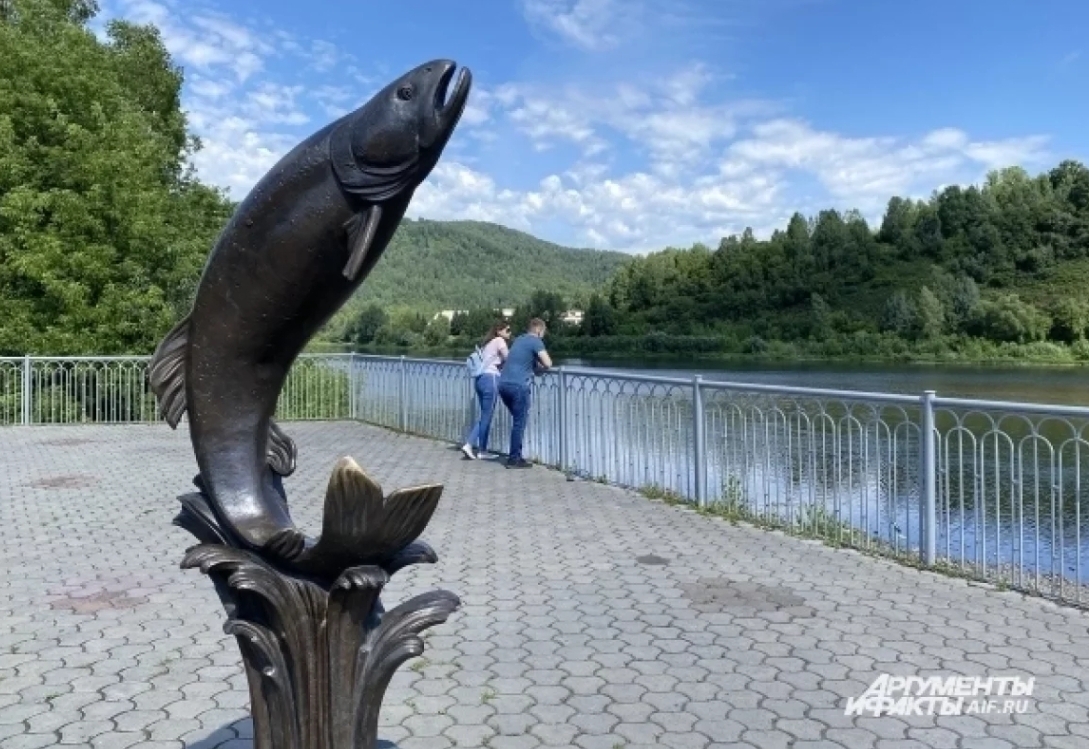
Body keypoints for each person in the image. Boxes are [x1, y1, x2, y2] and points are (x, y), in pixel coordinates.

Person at [497, 317, 551, 468]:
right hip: (518, 386)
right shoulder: (536, 341)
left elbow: (529, 364)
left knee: (517, 421)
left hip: (503, 385)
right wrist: (544, 368)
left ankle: (516, 455)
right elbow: (548, 363)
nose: (544, 335)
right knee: (519, 423)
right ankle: (514, 459)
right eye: (544, 332)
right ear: (538, 330)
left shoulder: (519, 340)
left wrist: (537, 369)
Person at [460, 320, 511, 460]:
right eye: (507, 330)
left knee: (485, 415)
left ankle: (482, 450)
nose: (509, 333)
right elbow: (509, 358)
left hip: (480, 380)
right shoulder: (500, 341)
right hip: (491, 380)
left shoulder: (487, 344)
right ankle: (469, 444)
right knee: (486, 416)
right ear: (499, 331)